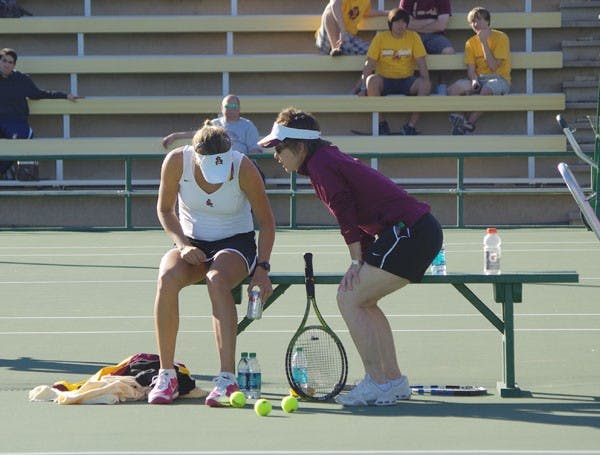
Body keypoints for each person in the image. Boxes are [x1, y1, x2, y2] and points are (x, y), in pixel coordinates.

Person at [258, 107, 443, 407]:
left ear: (301, 146)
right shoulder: (323, 160)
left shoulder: (321, 163)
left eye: (280, 149)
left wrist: (357, 261)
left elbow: (345, 211)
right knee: (363, 300)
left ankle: (377, 383)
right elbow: (359, 215)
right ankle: (393, 381)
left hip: (410, 233)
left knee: (349, 298)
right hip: (412, 232)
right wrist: (362, 256)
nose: (275, 156)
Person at [149, 120, 275, 406]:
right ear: (195, 155)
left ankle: (227, 379)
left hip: (236, 243)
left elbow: (267, 223)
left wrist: (262, 268)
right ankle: (166, 375)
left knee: (217, 280)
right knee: (166, 277)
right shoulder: (175, 162)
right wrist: (182, 246)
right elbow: (165, 209)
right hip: (191, 243)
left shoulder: (243, 167)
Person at [0, 48, 82, 178]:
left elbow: (38, 94)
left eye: (10, 62)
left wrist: (64, 96)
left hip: (16, 122)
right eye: (4, 61)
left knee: (18, 142)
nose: (6, 64)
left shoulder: (21, 79)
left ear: (14, 65)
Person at [359, 8, 431, 136]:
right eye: (397, 21)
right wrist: (363, 88)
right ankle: (382, 125)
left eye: (404, 22)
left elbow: (421, 62)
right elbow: (369, 64)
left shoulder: (413, 37)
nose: (400, 25)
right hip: (384, 80)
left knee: (426, 84)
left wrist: (426, 82)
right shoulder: (381, 37)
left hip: (407, 81)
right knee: (371, 80)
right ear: (390, 23)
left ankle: (410, 126)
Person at [446, 7, 511, 135]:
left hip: (500, 79)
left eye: (479, 20)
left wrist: (483, 43)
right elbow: (471, 70)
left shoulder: (501, 37)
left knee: (486, 90)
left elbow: (493, 67)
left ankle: (468, 124)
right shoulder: (470, 43)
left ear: (487, 21)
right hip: (480, 78)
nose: (476, 24)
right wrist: (475, 80)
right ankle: (460, 120)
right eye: (473, 22)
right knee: (452, 90)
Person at [161, 94, 262, 155]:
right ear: (222, 109)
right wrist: (175, 136)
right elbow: (197, 135)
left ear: (239, 108)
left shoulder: (248, 126)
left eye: (234, 105)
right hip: (218, 165)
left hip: (242, 166)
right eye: (227, 106)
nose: (230, 108)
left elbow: (255, 150)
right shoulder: (214, 124)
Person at [316, 0, 387, 57]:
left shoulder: (365, 1)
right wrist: (342, 29)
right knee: (329, 12)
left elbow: (367, 12)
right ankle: (334, 48)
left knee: (373, 52)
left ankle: (338, 50)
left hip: (346, 40)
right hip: (328, 38)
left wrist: (386, 13)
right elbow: (334, 4)